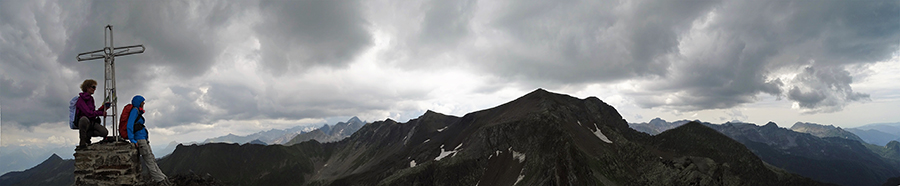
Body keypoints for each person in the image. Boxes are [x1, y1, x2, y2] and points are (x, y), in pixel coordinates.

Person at [126, 95, 169, 184]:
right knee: (149, 161)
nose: (144, 103)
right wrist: (132, 140)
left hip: (143, 140)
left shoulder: (137, 112)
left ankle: (163, 178)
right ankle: (160, 181)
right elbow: (129, 125)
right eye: (142, 101)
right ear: (138, 102)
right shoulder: (135, 111)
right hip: (140, 140)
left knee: (152, 159)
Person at [75, 79, 109, 149]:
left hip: (92, 122)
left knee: (104, 132)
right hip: (85, 122)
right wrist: (100, 113)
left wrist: (101, 110)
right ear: (87, 87)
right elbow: (88, 113)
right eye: (93, 87)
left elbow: (92, 112)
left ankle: (87, 134)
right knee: (83, 120)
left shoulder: (91, 99)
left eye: (95, 87)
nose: (95, 89)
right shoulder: (80, 100)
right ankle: (83, 142)